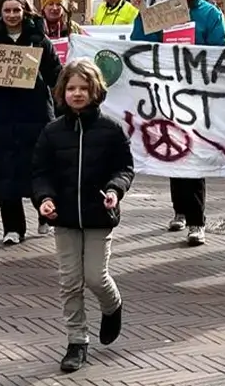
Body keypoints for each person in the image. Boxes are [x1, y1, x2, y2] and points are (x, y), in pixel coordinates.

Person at [32, 59, 134, 373]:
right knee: (70, 282)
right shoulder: (51, 132)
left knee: (95, 277)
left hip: (98, 216)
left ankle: (112, 305)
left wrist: (115, 190)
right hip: (63, 218)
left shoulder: (111, 128)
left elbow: (124, 168)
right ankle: (77, 341)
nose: (77, 94)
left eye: (84, 88)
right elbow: (40, 172)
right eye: (71, 88)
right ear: (63, 92)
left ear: (95, 91)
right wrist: (44, 198)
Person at [130, 0, 225, 245]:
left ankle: (197, 221)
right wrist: (142, 14)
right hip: (167, 92)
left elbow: (218, 49)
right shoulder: (160, 11)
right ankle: (180, 210)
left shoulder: (209, 13)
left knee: (193, 153)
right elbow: (140, 44)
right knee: (173, 149)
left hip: (196, 93)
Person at [0, 0, 62, 245]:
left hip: (35, 112)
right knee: (4, 170)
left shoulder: (38, 39)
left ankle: (45, 216)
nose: (12, 15)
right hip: (1, 115)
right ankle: (13, 228)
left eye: (16, 10)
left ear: (24, 11)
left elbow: (56, 74)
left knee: (39, 168)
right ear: (0, 12)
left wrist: (66, 107)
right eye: (7, 10)